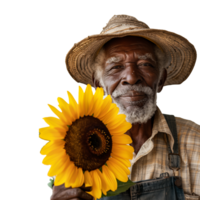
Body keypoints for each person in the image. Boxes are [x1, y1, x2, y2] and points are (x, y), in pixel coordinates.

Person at [49, 14, 200, 200]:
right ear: (98, 84)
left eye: (145, 64)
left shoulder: (196, 142)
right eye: (116, 67)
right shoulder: (72, 152)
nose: (131, 77)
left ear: (161, 79)